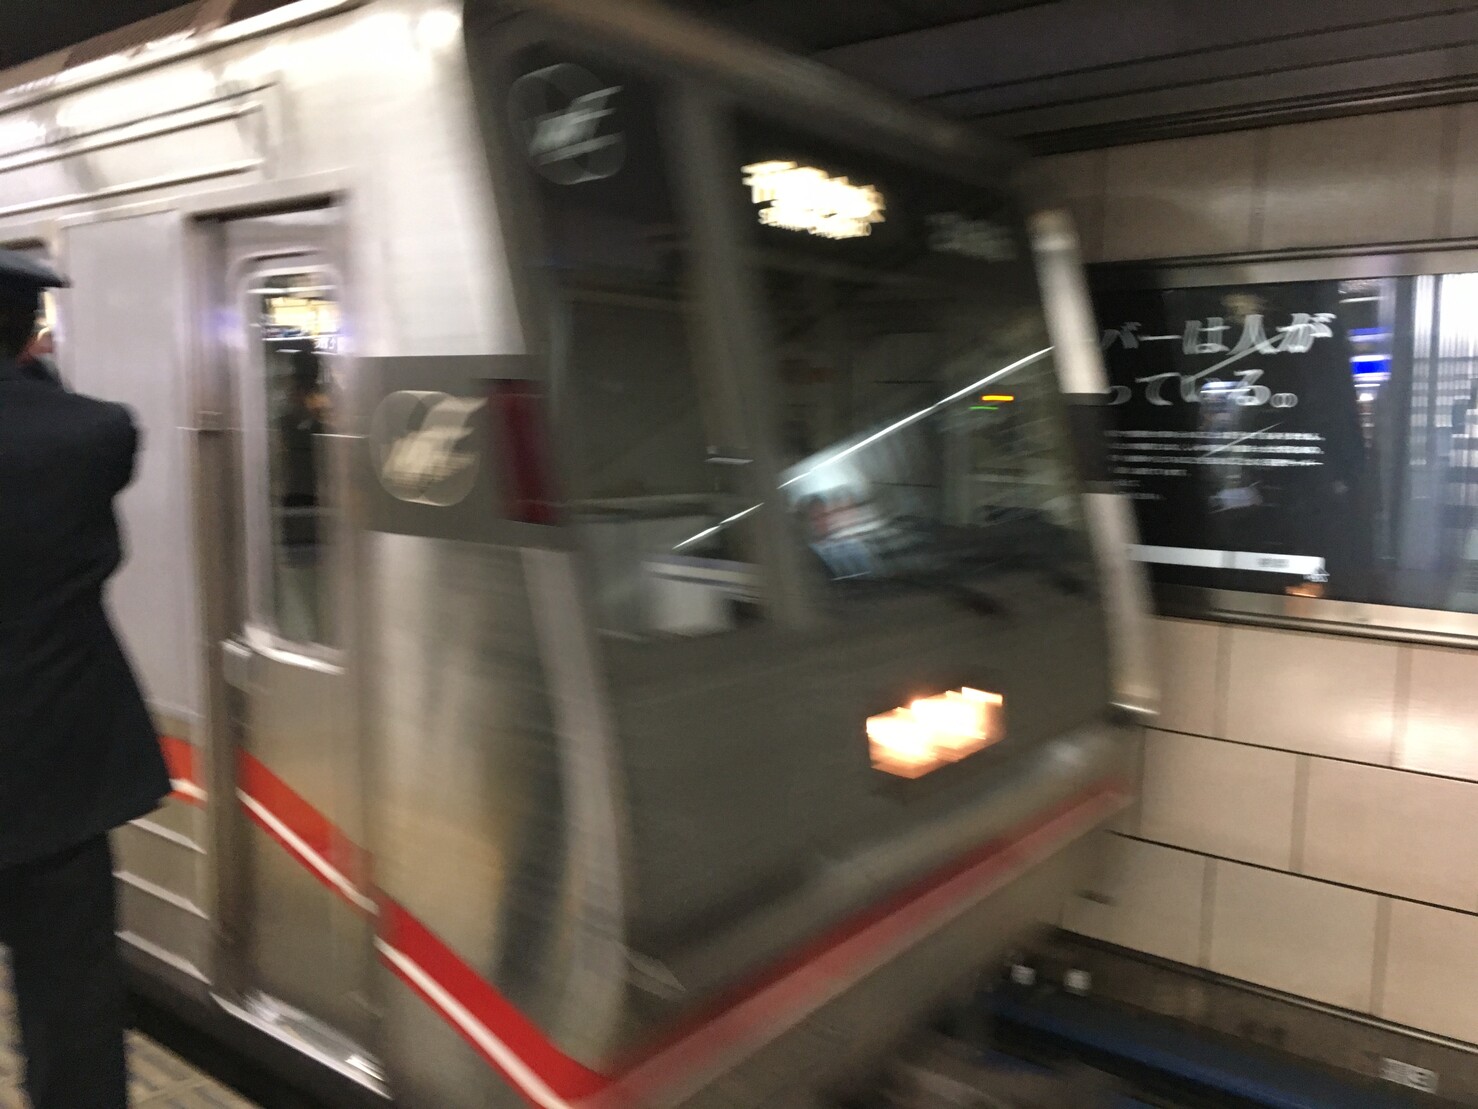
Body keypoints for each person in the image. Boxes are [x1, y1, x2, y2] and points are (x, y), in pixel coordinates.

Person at [0, 249, 170, 1108]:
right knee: (72, 1004)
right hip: (57, 773)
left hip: (54, 775)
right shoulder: (95, 432)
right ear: (33, 333)